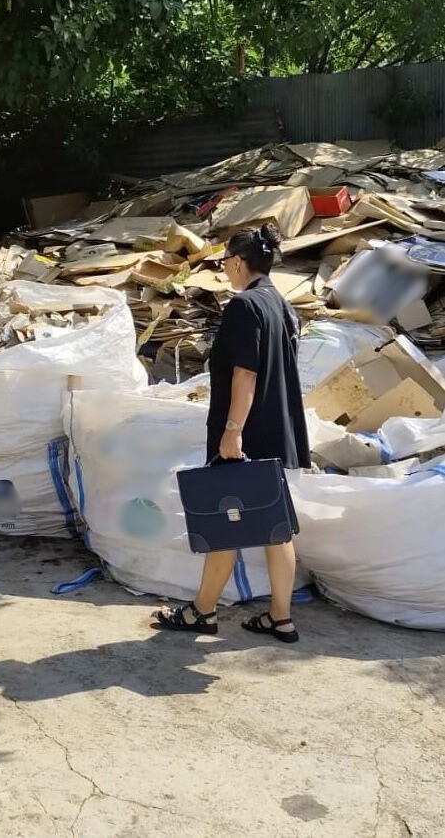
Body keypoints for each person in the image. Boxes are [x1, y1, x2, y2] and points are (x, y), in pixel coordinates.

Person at [155, 223, 310, 643]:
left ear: (239, 262)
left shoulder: (244, 306)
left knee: (225, 520)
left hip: (246, 434)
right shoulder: (282, 305)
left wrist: (232, 431)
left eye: (225, 261)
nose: (223, 269)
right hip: (278, 431)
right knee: (276, 527)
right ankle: (281, 618)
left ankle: (202, 612)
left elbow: (246, 374)